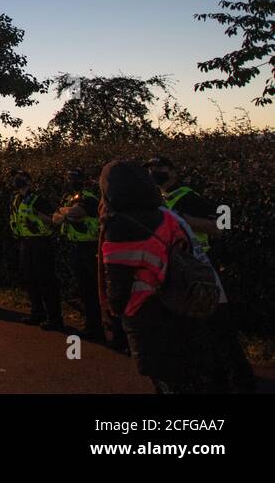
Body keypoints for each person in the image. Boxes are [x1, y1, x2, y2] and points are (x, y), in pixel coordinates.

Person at [100, 159, 213, 393]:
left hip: (145, 310)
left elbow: (117, 280)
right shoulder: (166, 215)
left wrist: (115, 310)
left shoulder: (118, 225)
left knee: (162, 375)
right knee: (187, 371)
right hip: (182, 300)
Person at [148, 157, 254, 393]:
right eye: (151, 170)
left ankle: (240, 381)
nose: (155, 173)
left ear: (174, 172)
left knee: (218, 325)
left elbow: (220, 226)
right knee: (200, 328)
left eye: (160, 169)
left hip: (200, 267)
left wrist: (186, 221)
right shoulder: (162, 200)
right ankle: (216, 379)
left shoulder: (187, 197)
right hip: (181, 270)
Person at [52, 167, 103, 339]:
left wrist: (64, 213)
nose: (70, 181)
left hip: (91, 247)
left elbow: (75, 212)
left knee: (95, 289)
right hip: (75, 246)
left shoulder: (88, 197)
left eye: (73, 177)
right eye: (68, 177)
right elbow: (55, 218)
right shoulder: (68, 198)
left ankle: (100, 327)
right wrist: (66, 214)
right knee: (85, 289)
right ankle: (91, 324)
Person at [9, 171, 63, 330]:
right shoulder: (17, 199)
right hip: (25, 242)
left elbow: (53, 220)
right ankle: (37, 313)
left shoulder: (39, 199)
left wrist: (38, 216)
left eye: (23, 179)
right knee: (30, 280)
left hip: (41, 242)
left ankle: (55, 319)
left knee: (46, 281)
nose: (19, 182)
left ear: (30, 182)